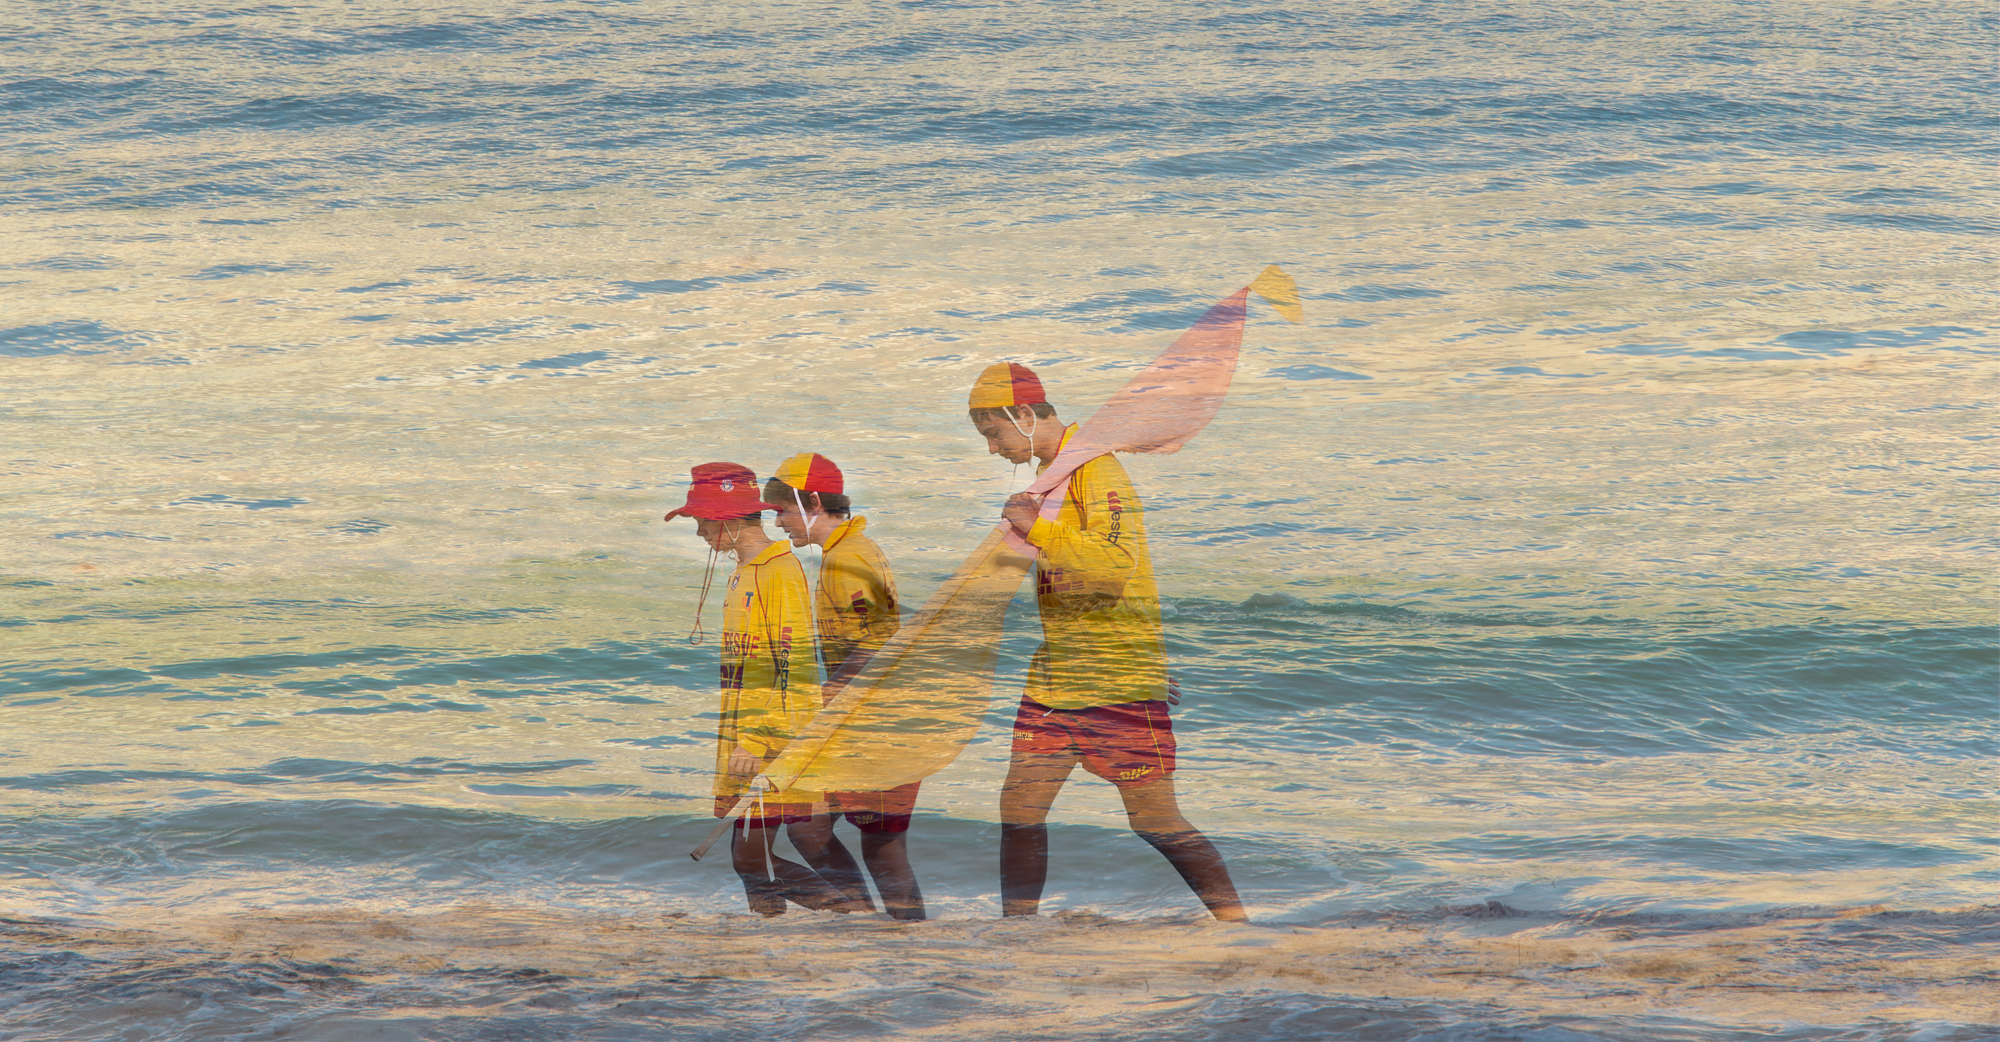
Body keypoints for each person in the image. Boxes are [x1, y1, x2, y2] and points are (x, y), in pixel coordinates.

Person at [966, 362, 1247, 922]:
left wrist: (1036, 528)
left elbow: (1115, 565)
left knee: (1154, 820)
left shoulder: (1098, 472)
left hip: (1113, 678)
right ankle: (1015, 933)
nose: (993, 450)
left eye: (994, 435)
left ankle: (1239, 926)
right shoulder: (1053, 478)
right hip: (1056, 678)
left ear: (1024, 416)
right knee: (1019, 808)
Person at [663, 462, 869, 916]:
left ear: (727, 521)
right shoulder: (743, 572)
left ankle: (859, 920)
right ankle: (770, 936)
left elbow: (795, 671)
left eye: (701, 522)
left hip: (770, 740)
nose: (699, 533)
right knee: (750, 862)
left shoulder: (780, 571)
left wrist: (759, 740)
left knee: (751, 858)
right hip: (744, 738)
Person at [764, 452, 927, 920]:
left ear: (814, 502)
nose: (778, 523)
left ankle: (896, 932)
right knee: (820, 830)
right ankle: (870, 925)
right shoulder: (851, 550)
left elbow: (879, 641)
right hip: (872, 722)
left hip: (877, 727)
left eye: (782, 511)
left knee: (867, 841)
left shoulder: (848, 560)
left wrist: (825, 698)